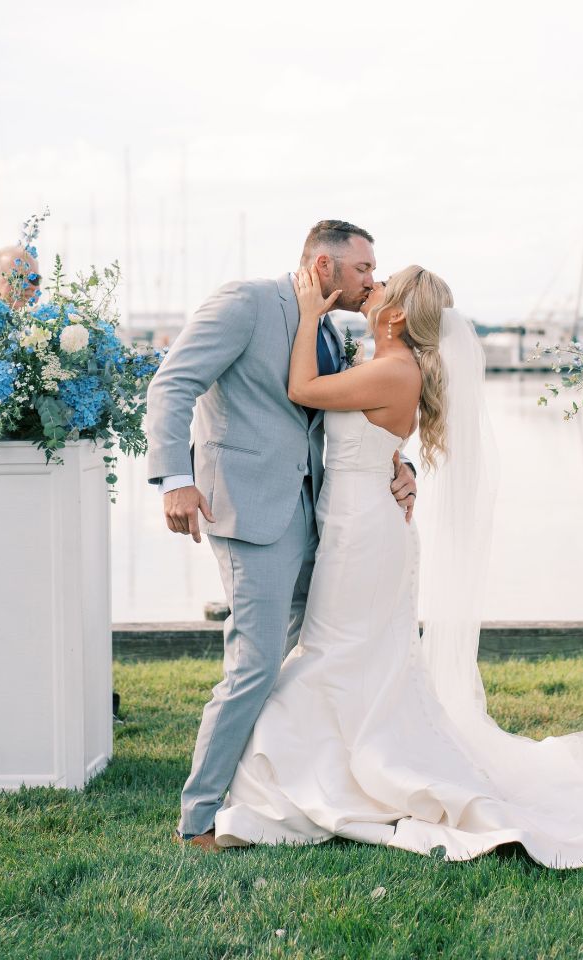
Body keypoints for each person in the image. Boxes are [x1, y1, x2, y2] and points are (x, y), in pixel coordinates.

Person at [209, 263, 583, 869]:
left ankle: (308, 769)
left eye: (381, 285)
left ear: (396, 316)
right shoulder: (386, 364)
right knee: (351, 655)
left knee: (331, 653)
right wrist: (402, 467)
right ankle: (332, 763)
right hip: (355, 524)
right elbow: (364, 437)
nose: (371, 287)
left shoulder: (394, 370)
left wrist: (310, 312)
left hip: (364, 535)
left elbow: (303, 391)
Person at [145, 220, 418, 850]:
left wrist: (399, 467)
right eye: (363, 269)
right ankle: (199, 817)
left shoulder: (327, 327)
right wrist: (175, 480)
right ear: (323, 265)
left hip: (317, 514)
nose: (372, 281)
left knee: (302, 661)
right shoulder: (245, 302)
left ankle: (275, 791)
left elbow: (344, 420)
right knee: (256, 663)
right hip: (248, 509)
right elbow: (173, 383)